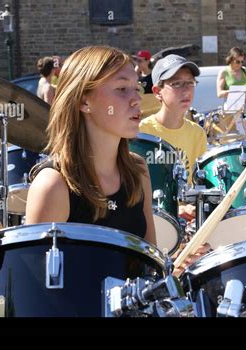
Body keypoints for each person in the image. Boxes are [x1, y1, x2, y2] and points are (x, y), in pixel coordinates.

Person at [26, 46, 206, 274]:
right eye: (122, 89)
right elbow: (33, 291)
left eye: (137, 88)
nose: (137, 99)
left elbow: (148, 270)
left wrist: (177, 265)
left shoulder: (138, 170)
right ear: (84, 102)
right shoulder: (53, 185)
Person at [139, 54, 208, 224]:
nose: (186, 90)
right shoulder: (141, 131)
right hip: (151, 219)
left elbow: (197, 184)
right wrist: (175, 209)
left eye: (190, 82)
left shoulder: (197, 133)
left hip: (185, 221)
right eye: (176, 83)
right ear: (157, 92)